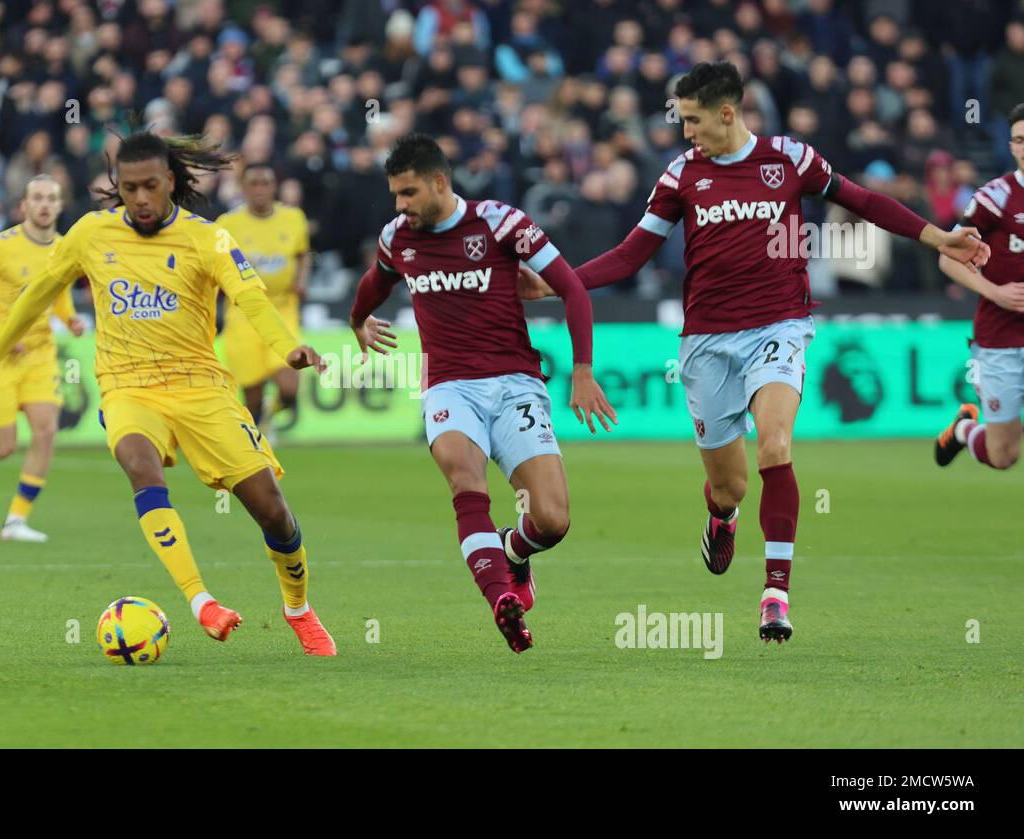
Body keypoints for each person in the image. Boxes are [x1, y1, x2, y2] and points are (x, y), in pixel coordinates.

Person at [521, 62, 989, 642]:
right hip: (706, 343)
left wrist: (936, 235)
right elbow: (630, 254)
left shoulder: (788, 159)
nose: (684, 132)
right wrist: (557, 280)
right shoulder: (680, 175)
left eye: (692, 120)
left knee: (775, 446)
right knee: (730, 487)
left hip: (780, 326)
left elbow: (864, 202)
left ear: (726, 112)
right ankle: (722, 517)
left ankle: (775, 594)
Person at [0, 130, 337, 655]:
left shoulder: (208, 238)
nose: (139, 198)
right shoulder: (91, 234)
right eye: (129, 187)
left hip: (200, 386)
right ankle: (201, 601)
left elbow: (251, 297)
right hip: (127, 384)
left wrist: (288, 346)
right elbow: (35, 296)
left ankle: (298, 608)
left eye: (150, 186)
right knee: (139, 464)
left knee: (272, 510)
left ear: (171, 183)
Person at [349, 133, 616, 654]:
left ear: (439, 182)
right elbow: (374, 284)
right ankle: (500, 599)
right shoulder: (397, 237)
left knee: (554, 520)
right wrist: (357, 319)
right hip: (450, 386)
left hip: (515, 382)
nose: (400, 207)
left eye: (407, 194)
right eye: (394, 197)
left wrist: (582, 371)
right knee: (463, 478)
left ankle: (513, 551)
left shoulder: (499, 222)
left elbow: (572, 288)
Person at [0, 175, 87, 542]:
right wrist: (0, 337)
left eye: (51, 198)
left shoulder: (63, 248)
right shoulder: (1, 246)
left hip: (40, 354)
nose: (44, 204)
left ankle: (16, 521)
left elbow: (55, 294)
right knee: (2, 448)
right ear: (24, 205)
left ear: (59, 205)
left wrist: (68, 317)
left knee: (47, 430)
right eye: (37, 197)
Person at [935, 103, 1024, 472]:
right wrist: (995, 292)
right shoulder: (996, 196)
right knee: (1003, 456)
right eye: (1019, 140)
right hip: (1000, 341)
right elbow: (946, 256)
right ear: (1011, 146)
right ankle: (963, 430)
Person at [216, 163, 311, 437]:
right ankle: (257, 433)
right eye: (253, 183)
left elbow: (303, 254)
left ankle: (273, 411)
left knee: (289, 386)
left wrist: (302, 279)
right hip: (242, 314)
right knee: (252, 393)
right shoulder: (227, 224)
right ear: (243, 188)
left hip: (283, 308)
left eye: (265, 183)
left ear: (274, 187)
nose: (259, 189)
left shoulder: (293, 218)